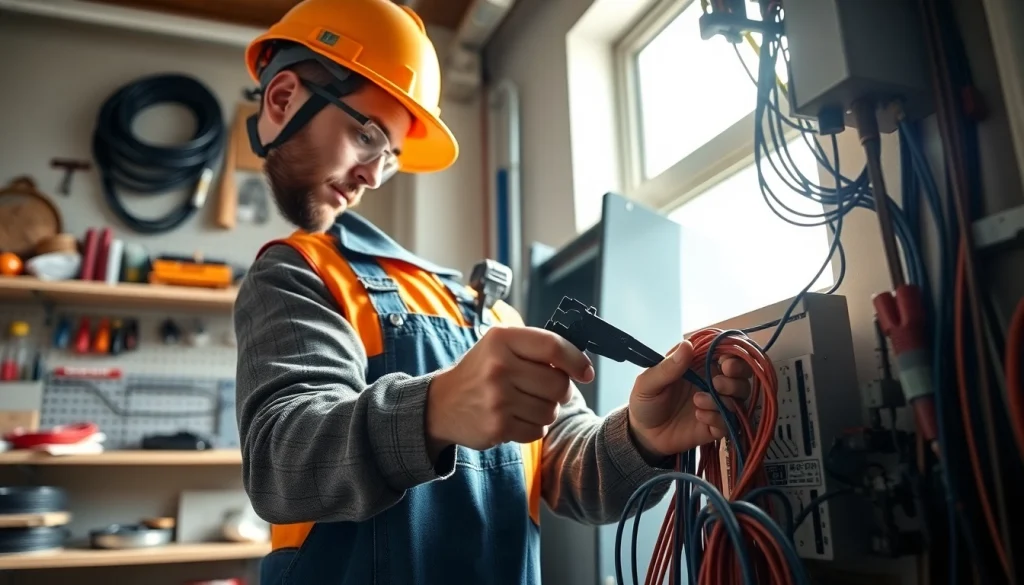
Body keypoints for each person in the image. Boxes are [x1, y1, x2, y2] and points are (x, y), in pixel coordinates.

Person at [232, 1, 753, 583]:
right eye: (367, 134)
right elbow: (282, 465)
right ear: (282, 99)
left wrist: (640, 436)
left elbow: (567, 468)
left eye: (391, 155)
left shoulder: (491, 312)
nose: (375, 175)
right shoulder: (301, 272)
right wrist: (432, 411)